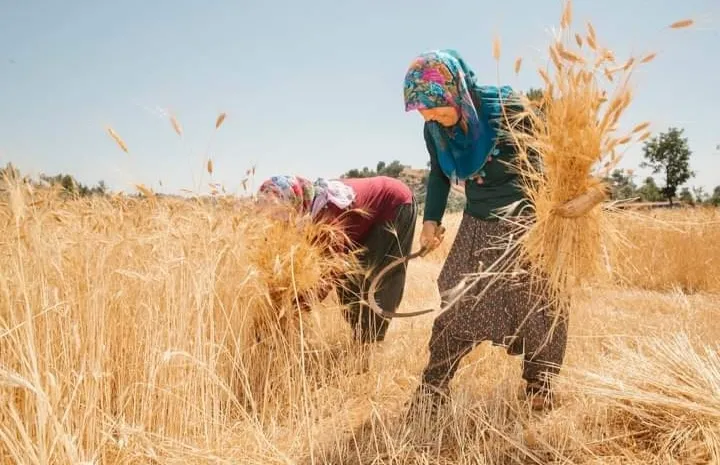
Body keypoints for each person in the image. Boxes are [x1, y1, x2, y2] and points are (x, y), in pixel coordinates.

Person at [402, 49, 569, 415]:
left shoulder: (506, 108)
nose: (429, 116)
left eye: (434, 106)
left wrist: (555, 213)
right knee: (456, 297)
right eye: (422, 110)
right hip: (477, 221)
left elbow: (550, 156)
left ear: (456, 90)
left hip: (527, 224)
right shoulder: (434, 130)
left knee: (539, 301)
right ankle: (434, 386)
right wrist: (430, 221)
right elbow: (438, 173)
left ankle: (540, 385)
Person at [257, 174, 419, 347]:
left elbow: (330, 274)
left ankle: (369, 349)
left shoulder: (326, 217)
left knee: (374, 284)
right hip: (364, 221)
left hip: (394, 205)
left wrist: (292, 311)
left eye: (277, 214)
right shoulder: (306, 210)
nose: (274, 221)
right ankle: (361, 342)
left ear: (293, 203)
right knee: (350, 287)